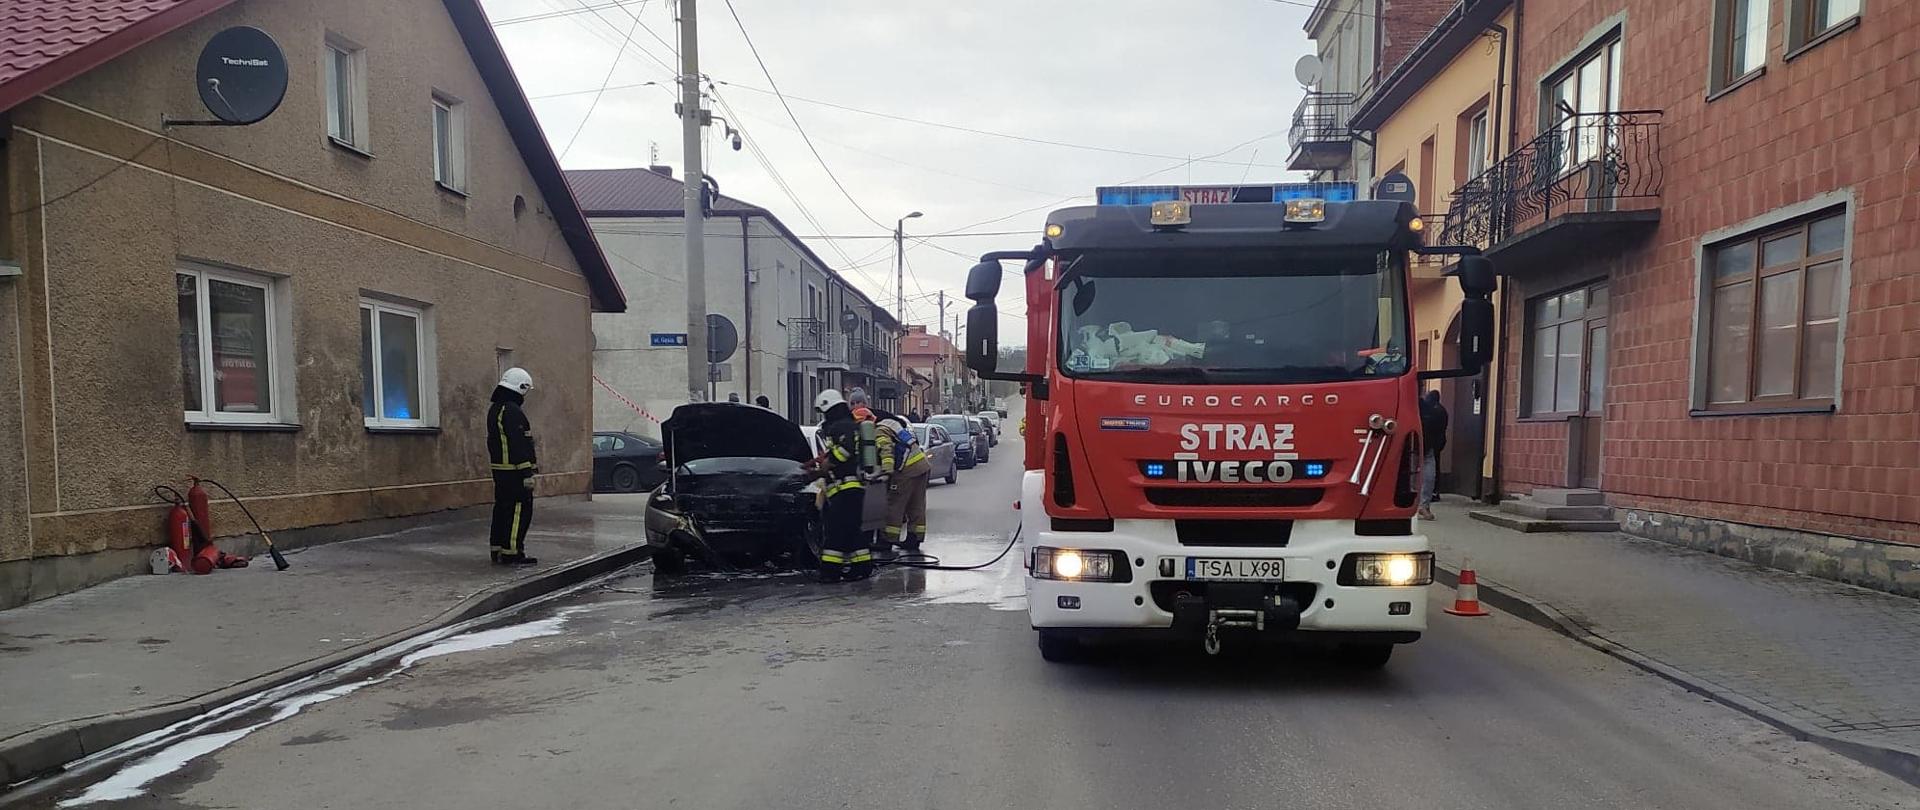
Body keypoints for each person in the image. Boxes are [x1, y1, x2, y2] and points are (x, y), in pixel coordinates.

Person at [807, 389, 871, 582]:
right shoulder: (847, 425)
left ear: (831, 409)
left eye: (825, 412)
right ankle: (861, 567)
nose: (824, 417)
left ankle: (830, 572)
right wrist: (816, 462)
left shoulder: (841, 426)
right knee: (852, 530)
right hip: (849, 490)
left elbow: (845, 451)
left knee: (835, 532)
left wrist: (824, 466)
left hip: (845, 490)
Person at [488, 368, 539, 565]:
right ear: (521, 387)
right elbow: (518, 443)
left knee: (502, 509)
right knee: (519, 510)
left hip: (501, 470)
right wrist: (527, 472)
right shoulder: (512, 411)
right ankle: (512, 552)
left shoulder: (495, 409)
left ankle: (497, 548)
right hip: (515, 471)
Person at [875, 411, 930, 551]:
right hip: (921, 465)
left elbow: (886, 451)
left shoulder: (880, 430)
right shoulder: (894, 425)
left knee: (894, 503)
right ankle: (914, 538)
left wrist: (887, 472)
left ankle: (887, 540)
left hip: (906, 469)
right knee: (916, 504)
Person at [1418, 389, 1449, 520]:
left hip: (1412, 441)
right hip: (1431, 444)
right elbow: (1441, 429)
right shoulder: (1439, 411)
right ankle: (1424, 505)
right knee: (1430, 472)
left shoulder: (1415, 405)